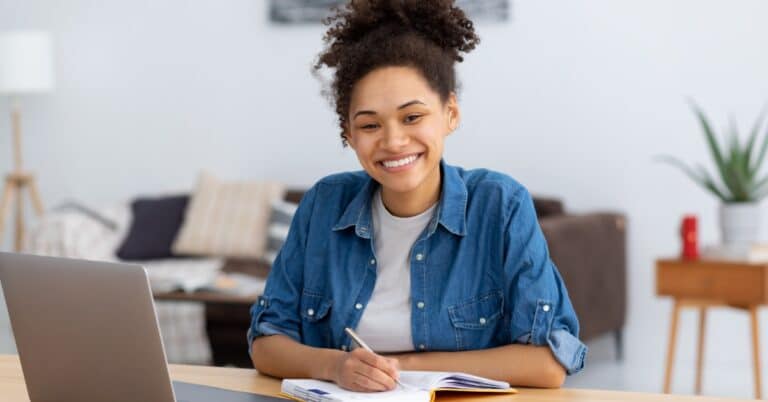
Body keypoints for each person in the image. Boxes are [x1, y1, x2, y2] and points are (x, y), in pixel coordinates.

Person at [249, 0, 586, 391]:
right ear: (349, 133)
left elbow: (547, 364)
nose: (393, 141)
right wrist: (336, 366)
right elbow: (266, 343)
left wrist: (401, 366)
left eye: (412, 117)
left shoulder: (501, 204)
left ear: (450, 113)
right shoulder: (323, 205)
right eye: (370, 124)